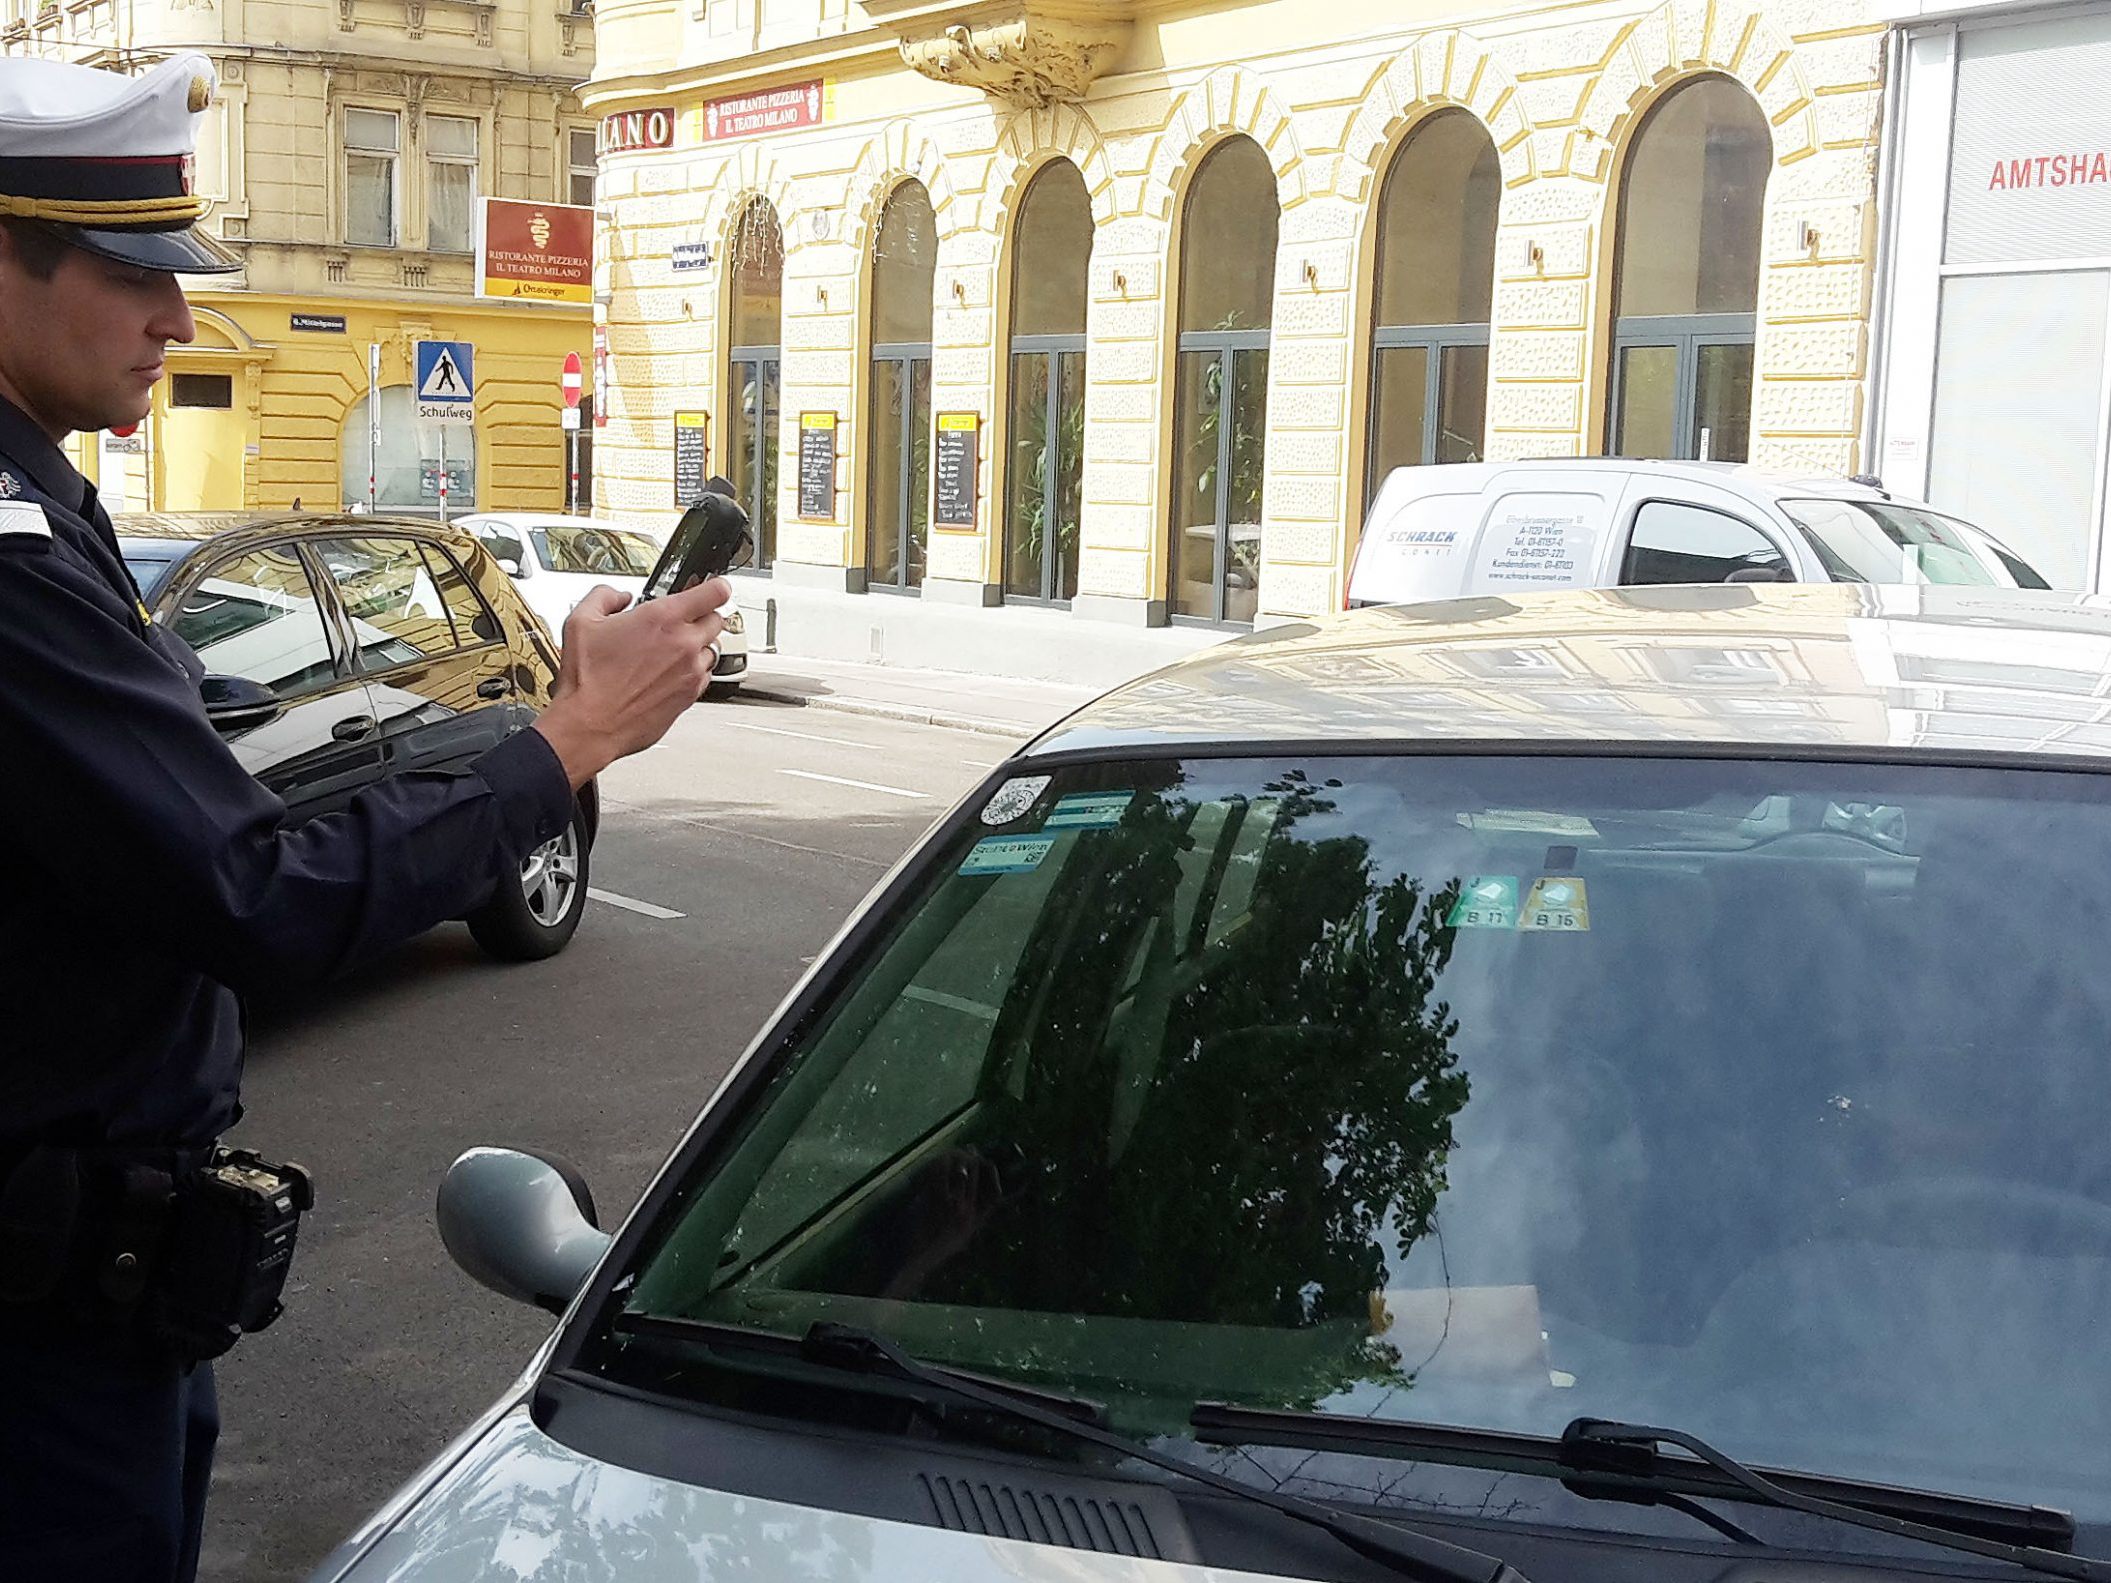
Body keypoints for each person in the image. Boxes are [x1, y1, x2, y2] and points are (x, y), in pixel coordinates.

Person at [0, 53, 727, 1582]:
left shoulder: (47, 513)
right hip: (43, 1351)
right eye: (136, 273)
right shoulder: (11, 569)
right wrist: (574, 734)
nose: (180, 320)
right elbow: (257, 891)